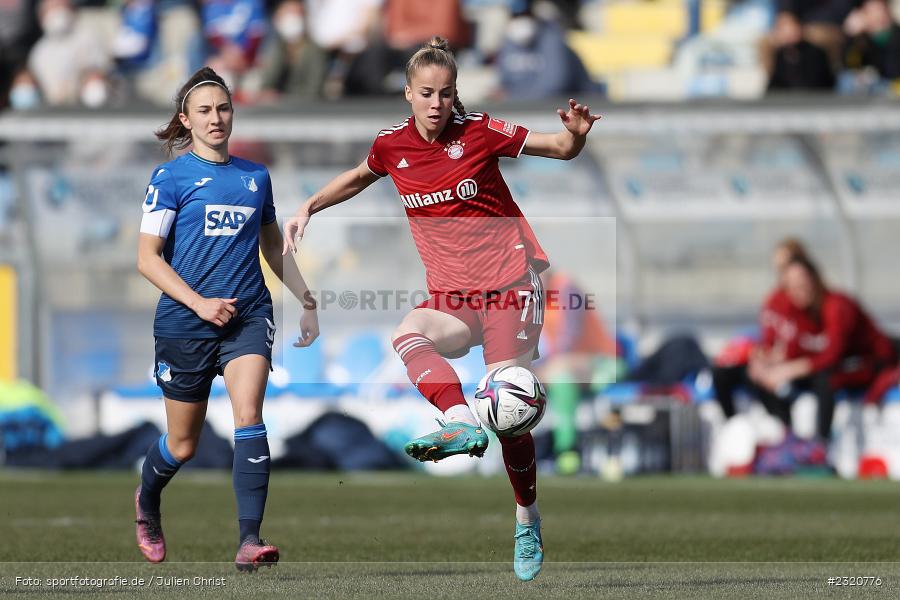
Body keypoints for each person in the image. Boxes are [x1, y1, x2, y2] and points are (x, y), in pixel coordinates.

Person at [281, 36, 601, 581]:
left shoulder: (479, 131)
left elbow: (559, 148)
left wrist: (573, 136)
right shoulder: (392, 145)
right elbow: (360, 175)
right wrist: (309, 205)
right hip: (454, 296)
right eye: (427, 93)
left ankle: (527, 516)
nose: (437, 103)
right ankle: (457, 421)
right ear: (408, 93)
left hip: (510, 285)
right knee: (408, 333)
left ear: (456, 96)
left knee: (508, 407)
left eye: (446, 94)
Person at [135, 66, 319, 571]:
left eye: (223, 108)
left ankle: (249, 540)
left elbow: (272, 247)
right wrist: (198, 304)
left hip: (247, 315)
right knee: (183, 444)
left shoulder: (255, 177)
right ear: (185, 119)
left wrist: (306, 299)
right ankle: (147, 501)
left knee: (248, 416)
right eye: (204, 110)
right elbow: (147, 258)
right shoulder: (169, 178)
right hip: (185, 322)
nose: (216, 118)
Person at [715, 254, 896, 440]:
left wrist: (788, 370)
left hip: (872, 360)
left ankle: (821, 447)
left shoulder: (837, 306)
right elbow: (796, 348)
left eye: (802, 283)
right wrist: (767, 362)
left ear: (815, 279)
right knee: (748, 375)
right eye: (790, 285)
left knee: (827, 379)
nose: (797, 290)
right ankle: (784, 436)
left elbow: (831, 355)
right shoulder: (797, 310)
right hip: (836, 363)